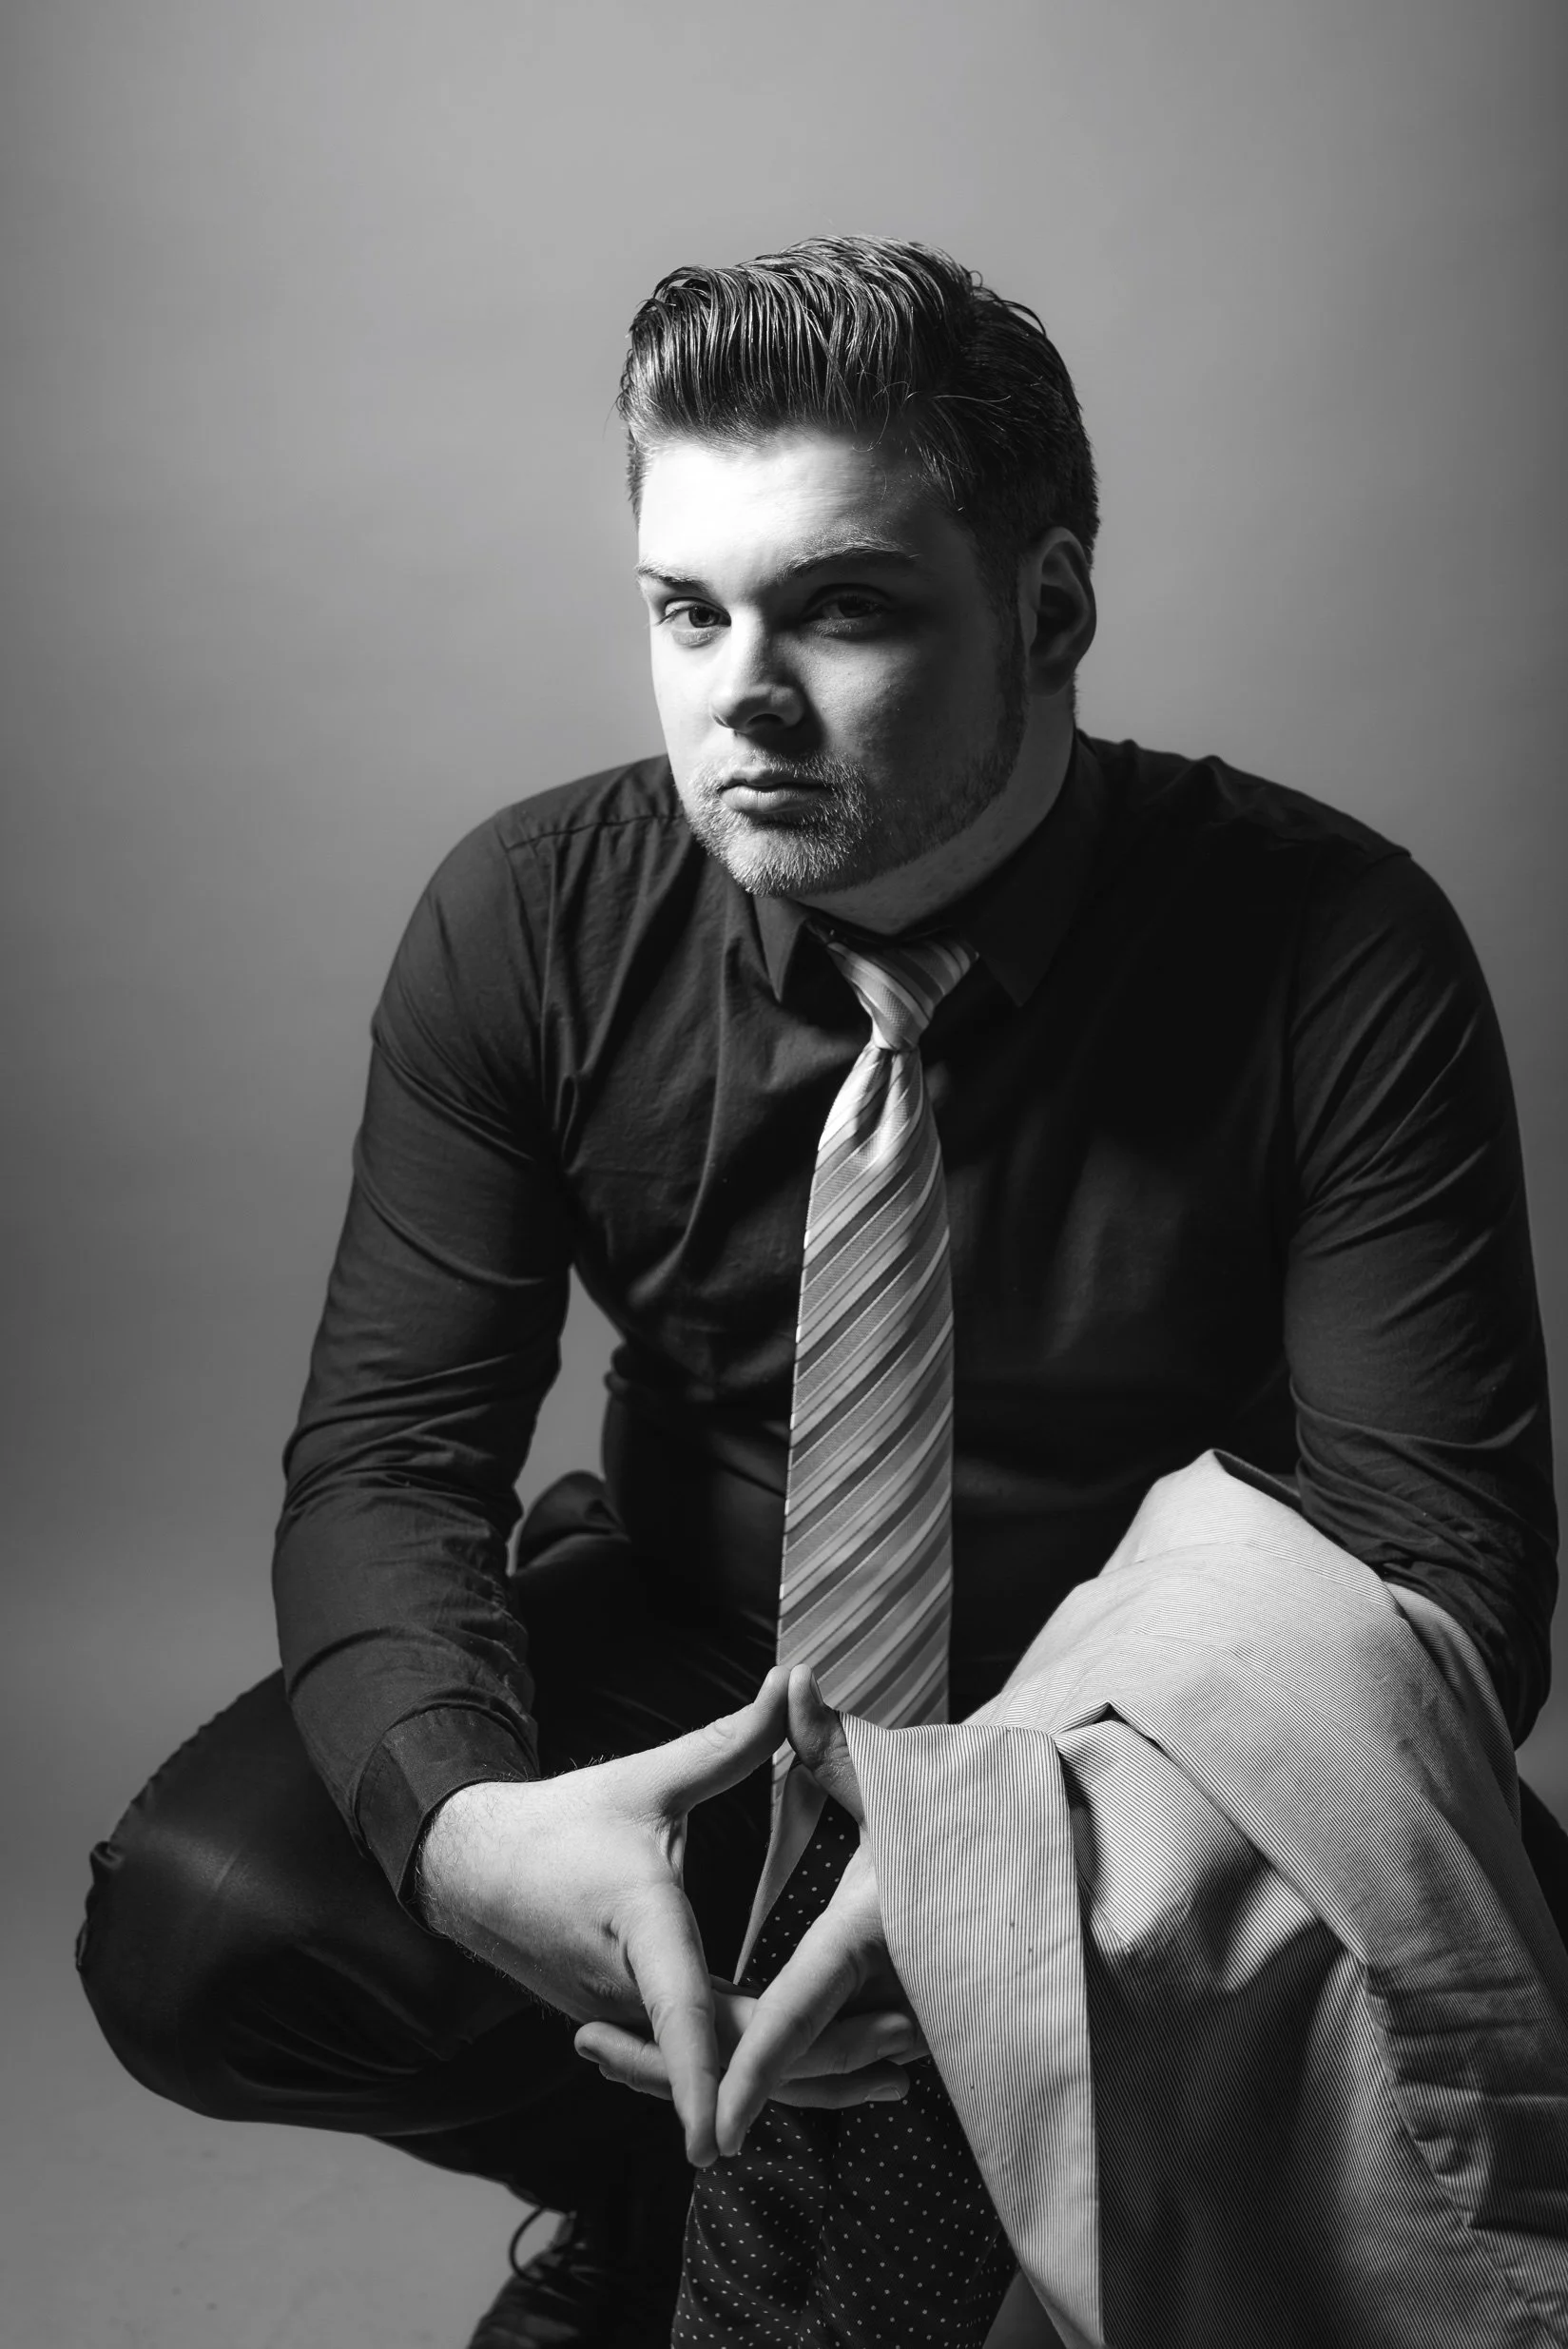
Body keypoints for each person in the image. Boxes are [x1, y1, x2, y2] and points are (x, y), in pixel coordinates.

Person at [77, 237, 1562, 2348]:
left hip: (1151, 1740)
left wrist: (1021, 1857)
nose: (736, 694)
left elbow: (1443, 1569)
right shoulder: (530, 916)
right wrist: (470, 1819)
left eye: (841, 606)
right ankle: (651, 2176)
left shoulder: (1334, 942)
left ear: (1046, 609)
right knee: (210, 1919)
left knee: (1477, 2129)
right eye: (685, 609)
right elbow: (392, 1452)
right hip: (709, 1663)